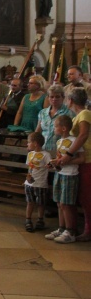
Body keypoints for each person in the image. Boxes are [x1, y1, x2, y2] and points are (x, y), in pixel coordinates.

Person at [57, 88, 91, 242]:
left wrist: (69, 154)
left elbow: (83, 135)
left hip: (88, 159)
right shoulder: (79, 115)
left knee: (87, 197)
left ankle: (88, 230)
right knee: (83, 197)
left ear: (70, 100)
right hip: (82, 159)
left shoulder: (84, 113)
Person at [47, 115, 84, 243]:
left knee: (66, 204)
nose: (54, 128)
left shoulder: (74, 140)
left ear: (63, 128)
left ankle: (70, 231)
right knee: (59, 202)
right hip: (60, 174)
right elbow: (59, 157)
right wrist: (54, 163)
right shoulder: (59, 141)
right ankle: (61, 228)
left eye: (56, 126)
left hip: (70, 175)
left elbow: (81, 158)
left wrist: (68, 161)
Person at [23, 132, 51, 232]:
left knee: (41, 203)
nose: (27, 144)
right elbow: (29, 168)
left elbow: (50, 165)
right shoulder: (30, 154)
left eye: (29, 142)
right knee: (30, 202)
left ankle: (40, 220)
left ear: (35, 143)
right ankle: (28, 220)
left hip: (41, 184)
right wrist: (28, 177)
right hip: (29, 183)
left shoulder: (46, 154)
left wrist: (50, 165)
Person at [35, 84, 74, 152]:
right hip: (43, 150)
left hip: (60, 150)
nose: (54, 99)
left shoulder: (69, 113)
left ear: (63, 97)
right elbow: (38, 131)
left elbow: (72, 133)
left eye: (57, 97)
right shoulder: (42, 113)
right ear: (48, 98)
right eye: (51, 97)